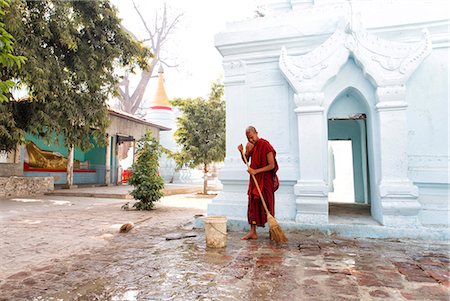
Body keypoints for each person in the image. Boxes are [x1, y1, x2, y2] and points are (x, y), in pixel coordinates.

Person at [237, 126, 279, 240]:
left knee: (268, 203)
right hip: (254, 179)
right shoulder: (250, 146)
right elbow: (246, 159)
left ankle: (272, 231)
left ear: (256, 133)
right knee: (252, 203)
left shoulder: (265, 145)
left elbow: (272, 165)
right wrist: (242, 152)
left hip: (265, 180)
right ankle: (253, 232)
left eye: (252, 137)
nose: (251, 140)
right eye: (248, 138)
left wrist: (256, 171)